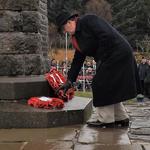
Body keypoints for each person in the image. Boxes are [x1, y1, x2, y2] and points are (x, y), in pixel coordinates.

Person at [55, 11, 141, 128]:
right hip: (109, 56)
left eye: (64, 29)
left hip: (117, 52)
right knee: (111, 86)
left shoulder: (89, 20)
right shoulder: (77, 37)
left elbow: (105, 35)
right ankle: (121, 117)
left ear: (69, 22)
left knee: (100, 83)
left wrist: (101, 57)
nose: (65, 32)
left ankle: (106, 120)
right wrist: (70, 80)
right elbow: (78, 59)